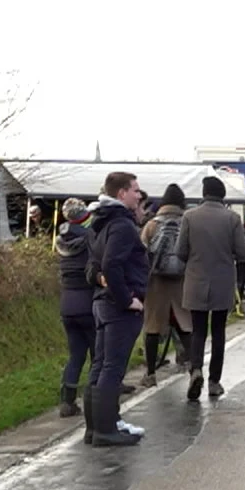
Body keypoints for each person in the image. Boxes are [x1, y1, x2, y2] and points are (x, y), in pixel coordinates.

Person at [87, 173, 147, 447]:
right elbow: (112, 264)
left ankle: (95, 426)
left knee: (99, 366)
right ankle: (106, 429)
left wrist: (103, 282)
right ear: (122, 193)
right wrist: (126, 299)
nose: (139, 195)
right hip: (117, 307)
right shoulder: (122, 225)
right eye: (135, 190)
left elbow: (93, 268)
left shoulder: (99, 223)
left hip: (100, 303)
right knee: (112, 368)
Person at [179, 177, 245, 402]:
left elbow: (180, 252)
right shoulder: (232, 219)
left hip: (195, 282)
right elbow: (244, 253)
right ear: (222, 196)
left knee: (198, 330)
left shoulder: (189, 217)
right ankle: (214, 382)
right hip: (222, 282)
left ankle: (196, 369)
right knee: (218, 332)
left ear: (204, 193)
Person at [136, 184, 192, 391]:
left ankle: (150, 373)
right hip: (181, 284)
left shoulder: (151, 225)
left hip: (155, 285)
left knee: (152, 329)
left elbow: (141, 254)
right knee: (185, 326)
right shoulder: (187, 223)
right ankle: (195, 368)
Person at [55, 198, 96, 418]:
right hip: (88, 302)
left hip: (67, 304)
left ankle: (67, 401)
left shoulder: (60, 241)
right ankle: (95, 399)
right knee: (98, 355)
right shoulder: (89, 239)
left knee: (76, 355)